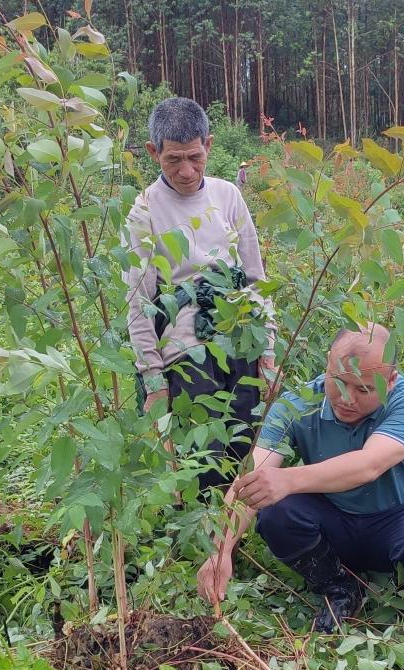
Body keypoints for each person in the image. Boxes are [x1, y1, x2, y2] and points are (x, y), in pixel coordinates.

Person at [197, 324, 404, 631]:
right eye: (339, 382)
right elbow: (252, 477)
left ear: (391, 381)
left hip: (396, 524)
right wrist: (221, 550)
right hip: (334, 524)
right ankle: (341, 586)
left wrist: (288, 479)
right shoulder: (295, 406)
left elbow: (368, 465)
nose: (348, 398)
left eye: (364, 389)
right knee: (276, 512)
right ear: (327, 365)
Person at [123, 97, 278, 493]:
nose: (187, 170)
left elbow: (255, 279)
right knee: (199, 458)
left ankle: (232, 538)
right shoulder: (144, 211)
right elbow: (138, 305)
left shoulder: (228, 196)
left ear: (208, 145)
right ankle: (200, 544)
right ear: (153, 152)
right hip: (184, 352)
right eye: (173, 159)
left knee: (244, 440)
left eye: (194, 156)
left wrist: (269, 349)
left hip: (241, 338)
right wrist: (154, 380)